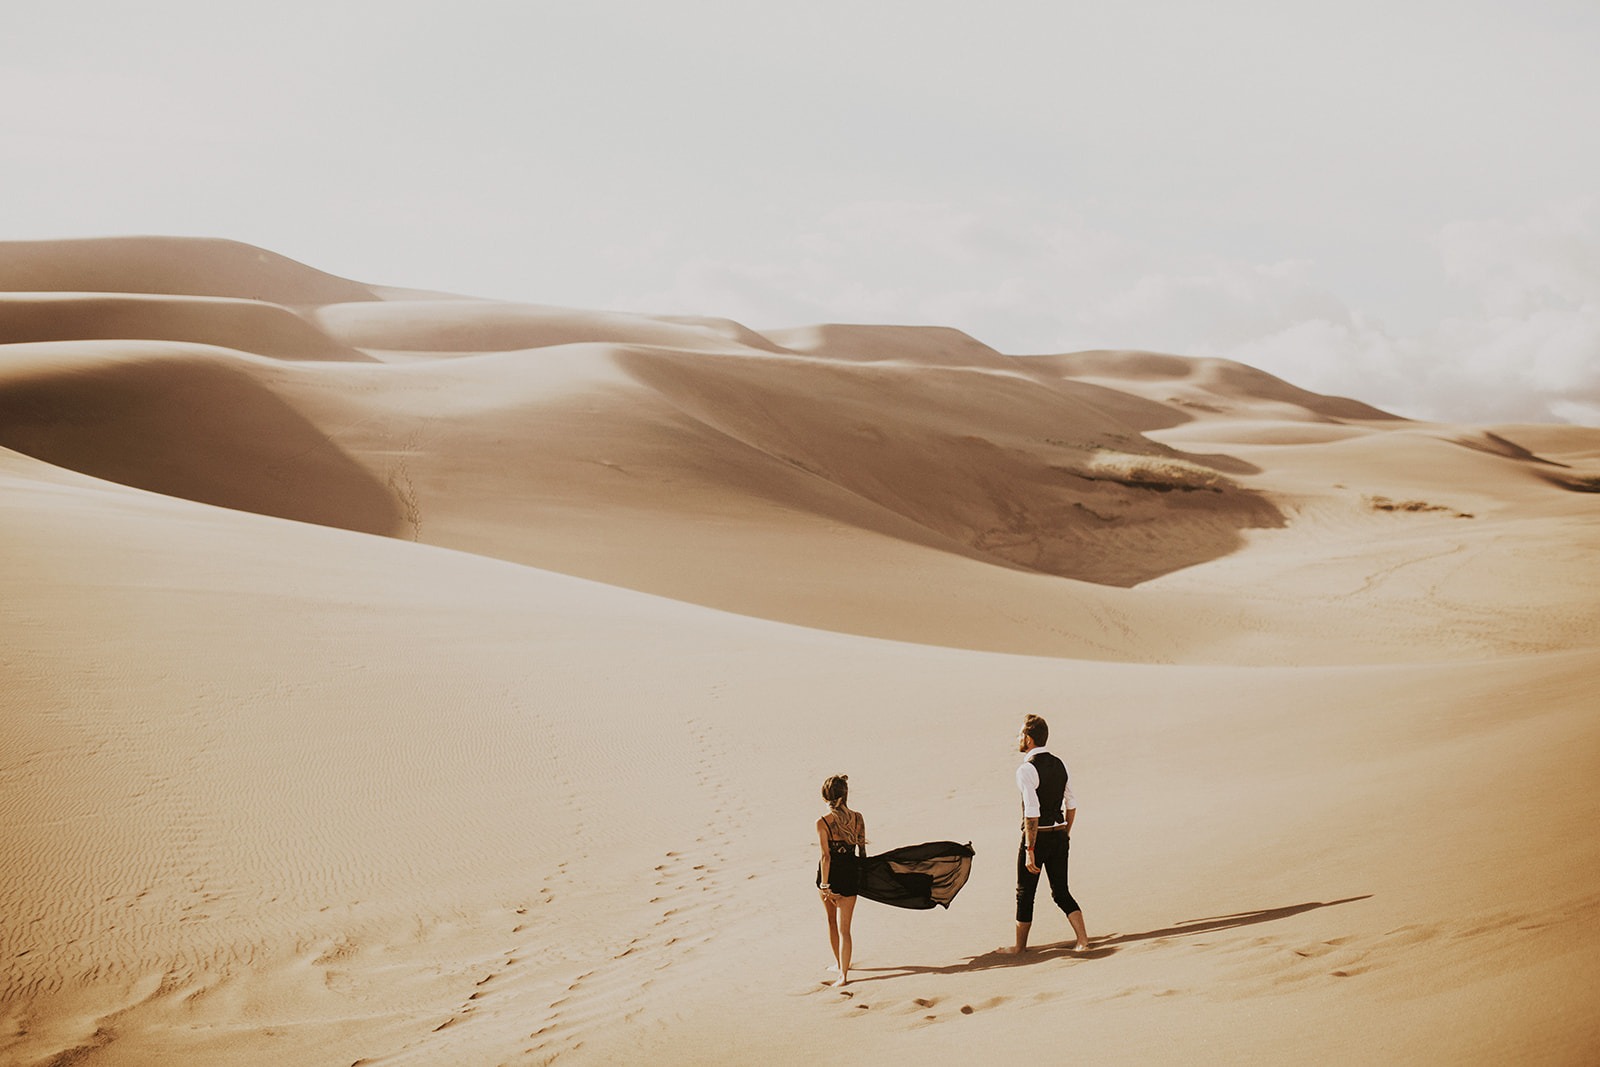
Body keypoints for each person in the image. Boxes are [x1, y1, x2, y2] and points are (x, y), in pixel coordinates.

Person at [1000, 714, 1089, 954]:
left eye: (1020, 734)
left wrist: (1030, 850)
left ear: (1028, 739)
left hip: (1038, 837)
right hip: (1059, 834)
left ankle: (1019, 947)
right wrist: (1065, 834)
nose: (1018, 738)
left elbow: (1032, 812)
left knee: (1025, 893)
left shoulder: (1026, 769)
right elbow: (1071, 804)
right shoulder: (1061, 764)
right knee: (1061, 891)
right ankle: (1082, 940)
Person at [816, 774, 866, 987]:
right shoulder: (858, 818)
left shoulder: (823, 822)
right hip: (850, 876)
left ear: (825, 797)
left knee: (831, 922)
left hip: (829, 878)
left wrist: (825, 886)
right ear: (845, 795)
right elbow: (862, 853)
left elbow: (826, 857)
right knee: (846, 929)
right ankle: (843, 972)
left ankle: (840, 968)